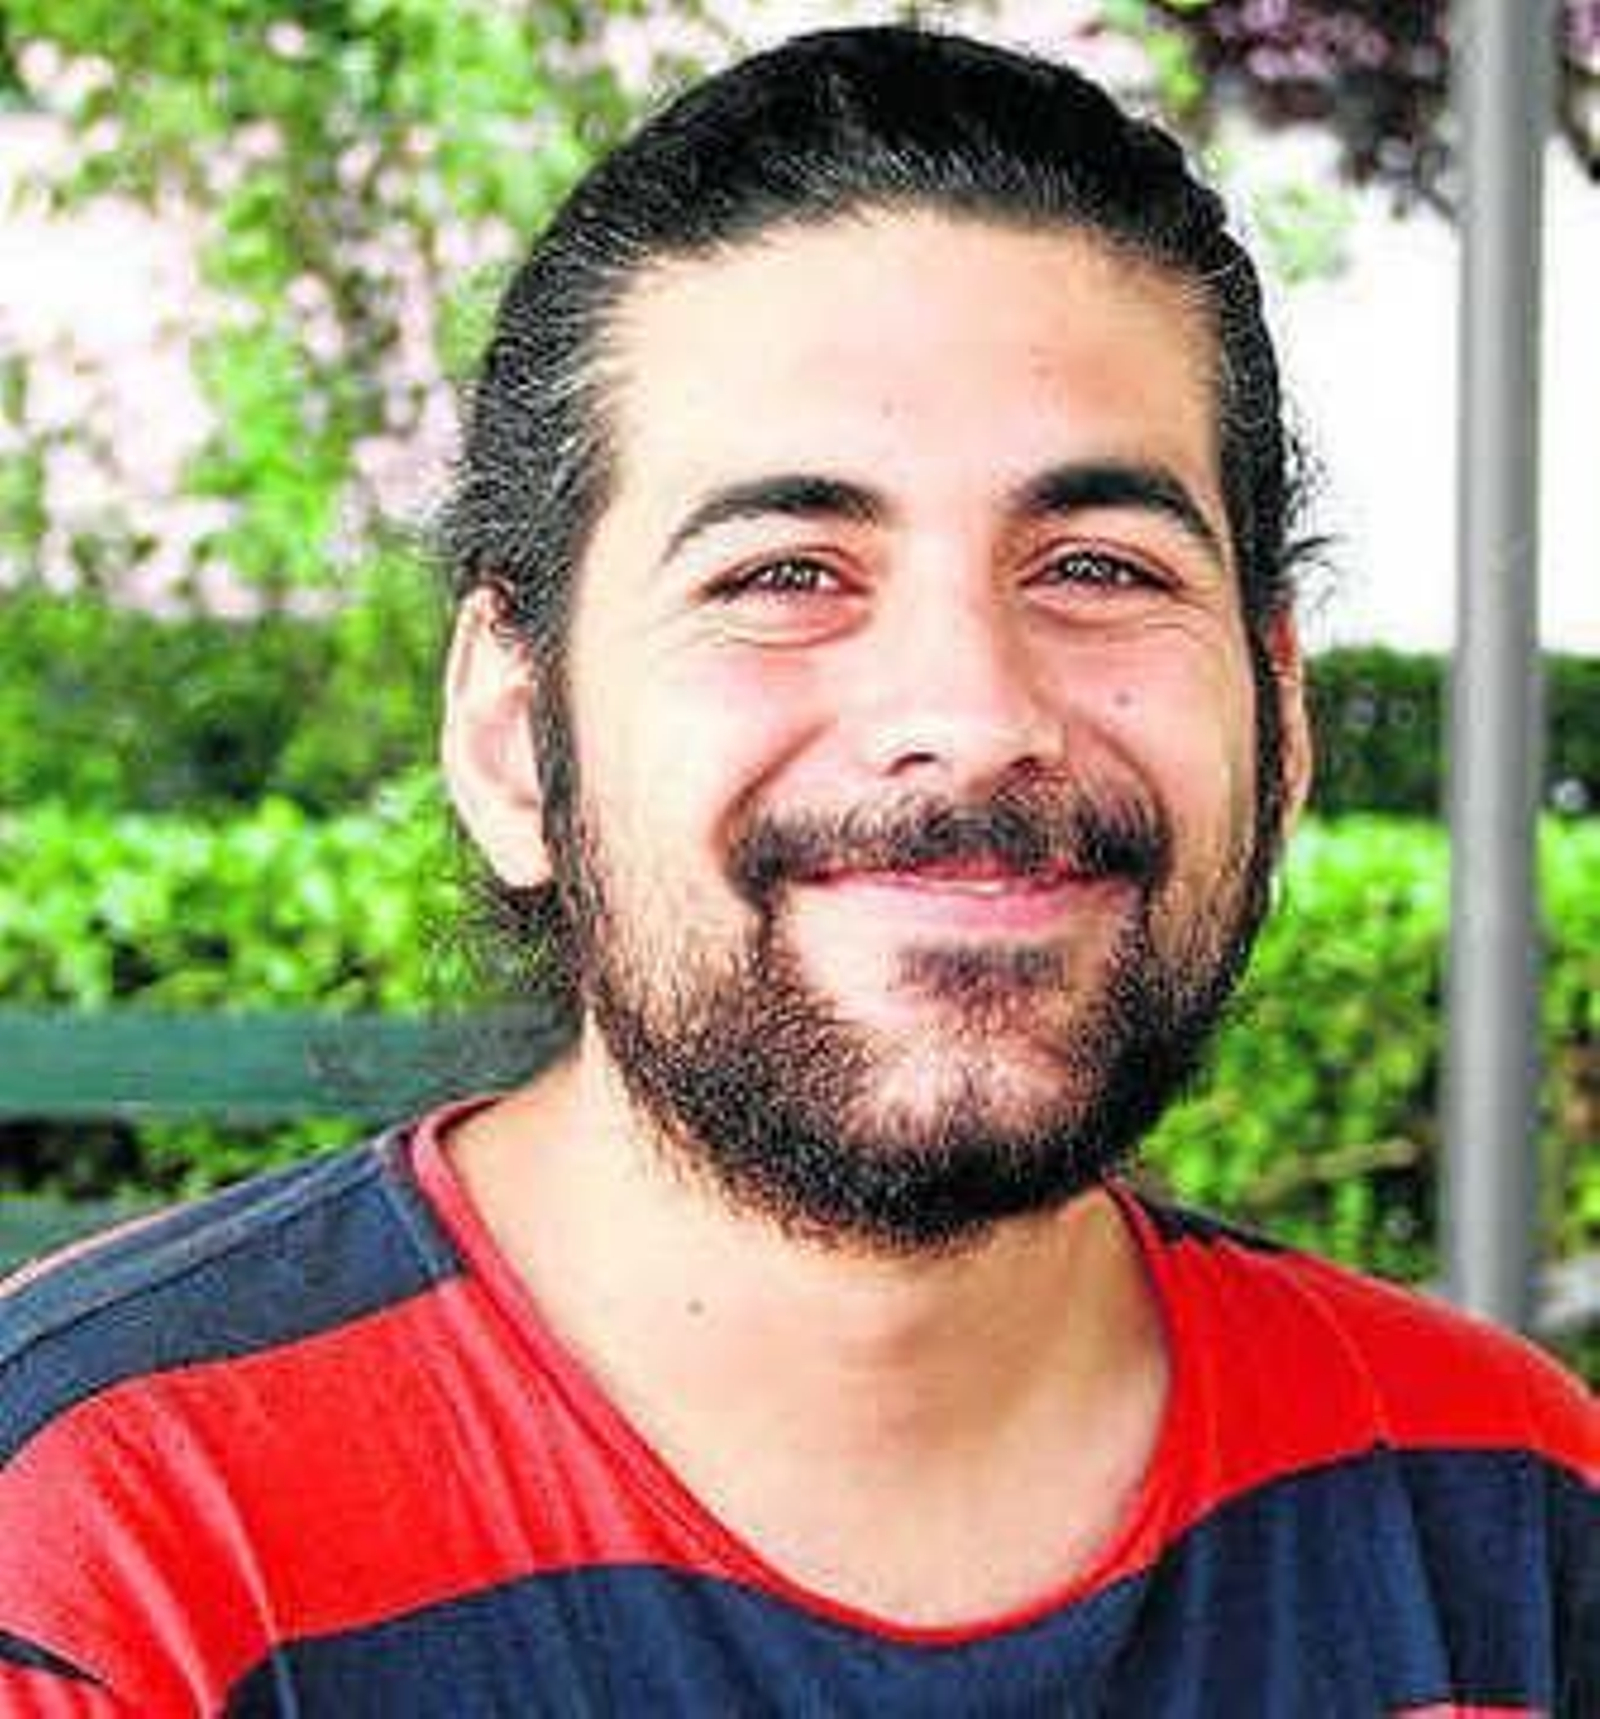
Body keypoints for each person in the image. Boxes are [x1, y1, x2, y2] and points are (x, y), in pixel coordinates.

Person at [0, 24, 1593, 1717]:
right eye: (784, 573)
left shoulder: (1504, 1517)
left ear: (1279, 717)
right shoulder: (97, 1546)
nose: (972, 716)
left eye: (1098, 566)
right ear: (514, 735)